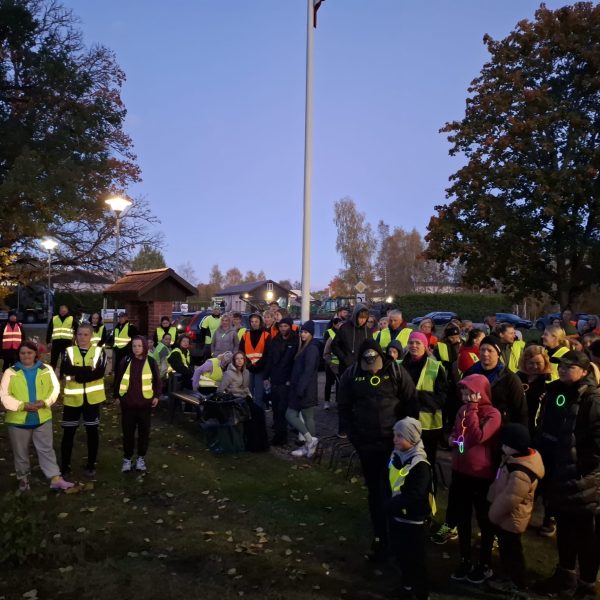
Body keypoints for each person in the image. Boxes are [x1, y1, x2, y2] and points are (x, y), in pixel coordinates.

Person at [338, 339, 418, 562]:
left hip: (394, 444)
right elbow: (343, 406)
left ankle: (399, 534)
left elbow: (411, 401)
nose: (372, 368)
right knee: (375, 491)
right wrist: (354, 436)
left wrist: (408, 435)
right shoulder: (351, 374)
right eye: (368, 365)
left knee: (396, 489)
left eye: (375, 364)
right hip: (366, 443)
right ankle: (380, 536)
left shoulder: (395, 371)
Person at [535, 351, 600, 599]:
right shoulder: (554, 391)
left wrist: (581, 467)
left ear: (584, 371)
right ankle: (565, 575)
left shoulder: (592, 399)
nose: (562, 369)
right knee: (564, 529)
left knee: (586, 533)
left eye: (569, 366)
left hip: (582, 479)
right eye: (561, 365)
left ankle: (587, 585)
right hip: (556, 472)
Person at [0, 341, 74, 492]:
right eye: (22, 353)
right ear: (18, 355)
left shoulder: (46, 369)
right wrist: (23, 406)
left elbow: (55, 389)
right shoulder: (10, 372)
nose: (26, 355)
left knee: (46, 450)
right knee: (20, 453)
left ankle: (55, 478)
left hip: (42, 418)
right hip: (18, 421)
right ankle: (23, 479)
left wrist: (45, 402)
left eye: (29, 352)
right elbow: (4, 395)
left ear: (35, 354)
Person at [449, 374, 501, 584]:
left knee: (483, 519)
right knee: (462, 517)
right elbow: (457, 432)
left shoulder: (492, 414)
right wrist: (453, 439)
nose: (465, 396)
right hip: (460, 471)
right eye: (463, 392)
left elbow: (478, 437)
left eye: (470, 392)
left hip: (480, 474)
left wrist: (472, 409)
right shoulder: (462, 410)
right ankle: (465, 559)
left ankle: (485, 563)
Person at [486, 423, 544, 594]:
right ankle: (508, 577)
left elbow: (510, 499)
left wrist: (493, 514)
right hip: (506, 517)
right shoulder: (512, 459)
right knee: (507, 550)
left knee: (512, 552)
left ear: (516, 446)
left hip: (512, 519)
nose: (502, 447)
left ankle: (517, 583)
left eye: (505, 444)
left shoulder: (521, 473)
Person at [388, 417, 434, 600]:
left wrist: (390, 505)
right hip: (397, 517)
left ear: (412, 438)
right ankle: (406, 586)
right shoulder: (396, 456)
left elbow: (415, 495)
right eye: (394, 435)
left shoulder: (420, 465)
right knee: (401, 555)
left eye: (400, 436)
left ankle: (422, 593)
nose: (395, 439)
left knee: (416, 559)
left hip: (414, 521)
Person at [59, 322, 107, 478]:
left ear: (91, 336)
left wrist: (77, 376)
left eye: (86, 334)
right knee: (68, 433)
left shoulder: (99, 351)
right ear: (76, 335)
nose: (82, 337)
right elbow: (66, 370)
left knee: (92, 433)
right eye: (79, 334)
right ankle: (65, 467)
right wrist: (87, 370)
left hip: (92, 400)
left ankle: (91, 465)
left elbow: (99, 373)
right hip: (72, 399)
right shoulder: (68, 351)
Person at [401, 331, 447, 484]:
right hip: (404, 421)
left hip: (428, 426)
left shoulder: (435, 367)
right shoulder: (399, 366)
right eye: (411, 342)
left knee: (426, 461)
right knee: (406, 458)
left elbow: (442, 398)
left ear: (425, 346)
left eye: (418, 343)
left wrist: (418, 396)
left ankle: (428, 489)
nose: (414, 346)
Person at [114, 336, 161, 473]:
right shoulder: (125, 360)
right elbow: (118, 378)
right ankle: (127, 459)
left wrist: (157, 396)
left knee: (144, 433)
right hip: (128, 405)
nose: (136, 348)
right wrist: (117, 395)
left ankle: (141, 458)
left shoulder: (151, 361)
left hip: (145, 405)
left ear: (145, 346)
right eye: (134, 346)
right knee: (128, 433)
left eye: (139, 346)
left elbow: (157, 381)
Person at [465, 335, 528, 426]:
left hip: (500, 427)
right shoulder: (470, 374)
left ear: (498, 354)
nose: (485, 354)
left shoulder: (509, 378)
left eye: (490, 350)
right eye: (482, 350)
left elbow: (520, 411)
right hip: (473, 424)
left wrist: (519, 431)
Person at [287, 321, 321, 458]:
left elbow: (308, 371)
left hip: (305, 389)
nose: (302, 334)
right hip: (302, 387)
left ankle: (310, 442)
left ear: (311, 334)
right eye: (302, 331)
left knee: (293, 415)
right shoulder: (304, 347)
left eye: (306, 332)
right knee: (306, 417)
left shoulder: (311, 348)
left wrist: (300, 388)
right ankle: (310, 443)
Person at [264, 317, 299, 446]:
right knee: (276, 408)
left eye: (285, 326)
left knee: (282, 409)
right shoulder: (275, 340)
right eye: (281, 326)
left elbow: (295, 363)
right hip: (275, 378)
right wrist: (266, 376)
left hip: (287, 381)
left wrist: (291, 379)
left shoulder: (296, 341)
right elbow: (270, 358)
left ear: (290, 326)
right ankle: (278, 434)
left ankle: (282, 436)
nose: (283, 329)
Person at [516, 345, 552, 439]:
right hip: (517, 424)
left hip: (537, 428)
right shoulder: (517, 378)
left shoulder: (549, 381)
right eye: (531, 363)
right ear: (524, 362)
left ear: (545, 363)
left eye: (538, 363)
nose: (535, 366)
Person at [239, 313, 270, 409]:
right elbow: (241, 351)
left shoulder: (266, 335)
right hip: (248, 368)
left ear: (260, 322)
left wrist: (258, 364)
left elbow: (268, 353)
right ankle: (249, 413)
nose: (254, 323)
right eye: (252, 321)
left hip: (261, 368)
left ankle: (258, 414)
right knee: (248, 393)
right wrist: (248, 364)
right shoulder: (245, 335)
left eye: (256, 321)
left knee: (259, 394)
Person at [332, 303, 371, 374]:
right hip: (346, 368)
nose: (363, 320)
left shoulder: (367, 331)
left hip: (363, 367)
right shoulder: (345, 328)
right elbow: (334, 345)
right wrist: (344, 358)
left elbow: (371, 347)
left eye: (365, 318)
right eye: (360, 318)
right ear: (355, 316)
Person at [322, 317, 343, 410]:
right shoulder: (330, 335)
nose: (340, 327)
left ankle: (338, 401)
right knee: (329, 383)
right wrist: (330, 362)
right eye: (338, 325)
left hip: (342, 365)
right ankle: (326, 401)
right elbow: (326, 352)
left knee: (340, 384)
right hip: (331, 365)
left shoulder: (346, 337)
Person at [46, 304, 75, 369]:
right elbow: (49, 330)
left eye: (64, 311)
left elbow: (77, 329)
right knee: (53, 360)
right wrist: (48, 342)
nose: (62, 312)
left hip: (67, 342)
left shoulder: (72, 319)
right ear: (59, 311)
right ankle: (52, 373)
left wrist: (75, 341)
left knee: (65, 360)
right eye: (61, 310)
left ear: (67, 311)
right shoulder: (54, 318)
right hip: (56, 342)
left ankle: (63, 373)